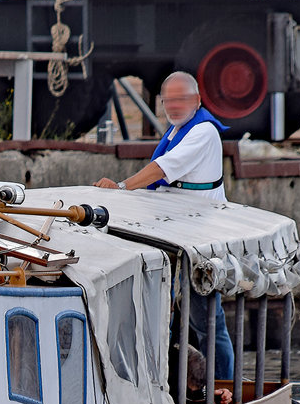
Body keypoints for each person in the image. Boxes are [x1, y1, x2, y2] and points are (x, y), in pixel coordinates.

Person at [93, 70, 234, 381]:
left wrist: (119, 189)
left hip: (201, 240)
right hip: (176, 233)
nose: (172, 106)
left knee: (207, 320)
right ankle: (159, 384)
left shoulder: (202, 132)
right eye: (167, 100)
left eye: (179, 99)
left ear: (197, 100)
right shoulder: (177, 129)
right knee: (165, 315)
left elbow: (161, 169)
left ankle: (223, 386)